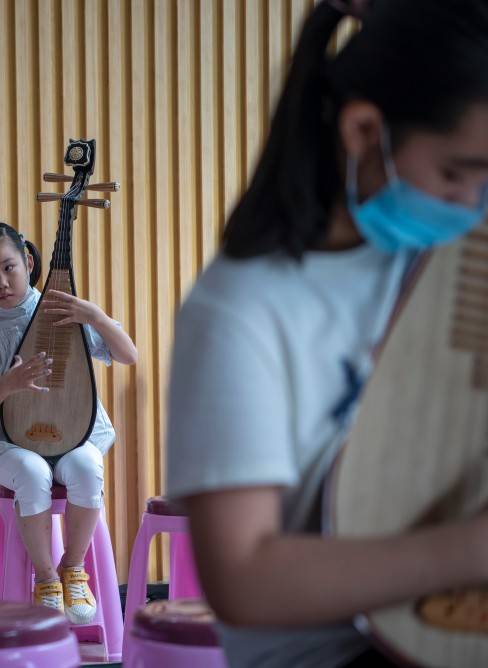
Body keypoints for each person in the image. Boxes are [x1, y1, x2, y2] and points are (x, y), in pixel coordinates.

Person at [166, 1, 488, 666]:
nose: (471, 207)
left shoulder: (444, 262)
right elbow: (244, 578)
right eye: (458, 173)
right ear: (366, 132)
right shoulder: (240, 312)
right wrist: (468, 550)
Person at [0, 221, 137, 624]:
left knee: (88, 466)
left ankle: (74, 569)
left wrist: (96, 316)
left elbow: (128, 355)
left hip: (77, 438)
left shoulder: (62, 313)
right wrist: (8, 385)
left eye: (9, 267)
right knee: (33, 472)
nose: (1, 281)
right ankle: (46, 577)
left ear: (29, 261)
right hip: (13, 445)